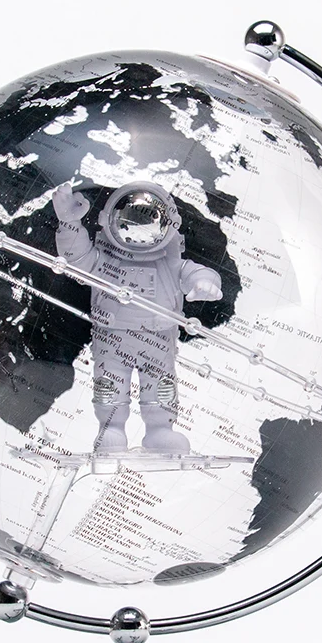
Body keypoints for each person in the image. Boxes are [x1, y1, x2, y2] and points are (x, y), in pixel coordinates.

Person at [52, 181, 223, 453]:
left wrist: (204, 283)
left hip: (158, 338)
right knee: (109, 385)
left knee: (161, 387)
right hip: (112, 337)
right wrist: (69, 223)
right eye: (130, 220)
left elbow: (193, 271)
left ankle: (160, 430)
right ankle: (111, 429)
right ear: (111, 220)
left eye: (148, 219)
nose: (138, 228)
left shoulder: (170, 263)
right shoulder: (104, 261)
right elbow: (77, 260)